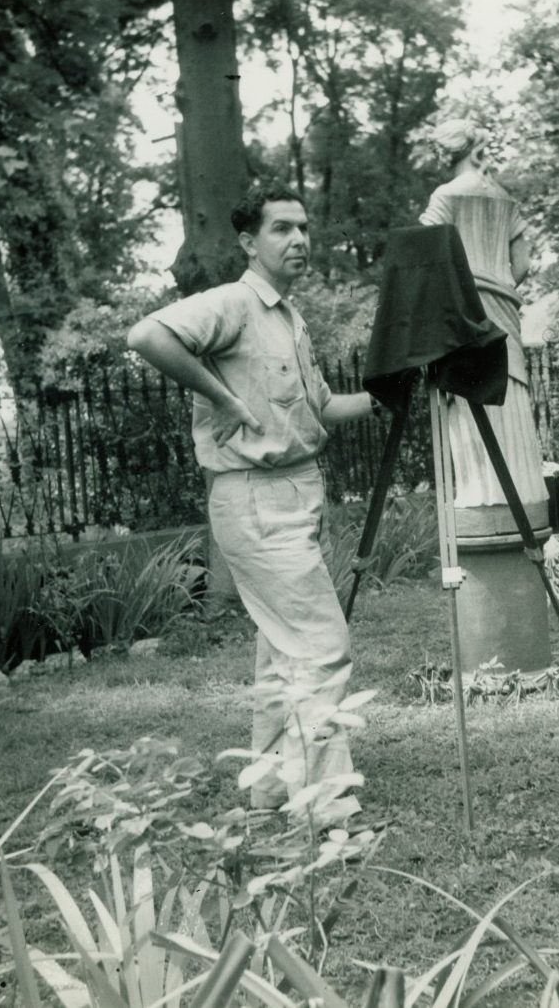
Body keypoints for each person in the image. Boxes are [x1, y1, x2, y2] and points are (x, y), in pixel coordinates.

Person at [127, 184, 376, 826]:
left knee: (282, 651)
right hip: (255, 497)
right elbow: (147, 334)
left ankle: (269, 789)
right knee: (321, 646)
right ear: (248, 241)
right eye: (281, 229)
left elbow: (322, 407)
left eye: (303, 228)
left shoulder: (289, 318)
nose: (298, 240)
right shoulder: (235, 303)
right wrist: (223, 398)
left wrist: (391, 394)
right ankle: (326, 806)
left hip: (297, 491)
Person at [418, 120, 549, 518]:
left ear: (449, 150)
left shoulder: (446, 195)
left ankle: (482, 498)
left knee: (470, 399)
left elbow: (426, 260)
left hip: (464, 318)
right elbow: (522, 265)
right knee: (511, 399)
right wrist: (497, 286)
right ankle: (523, 499)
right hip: (503, 314)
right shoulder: (503, 197)